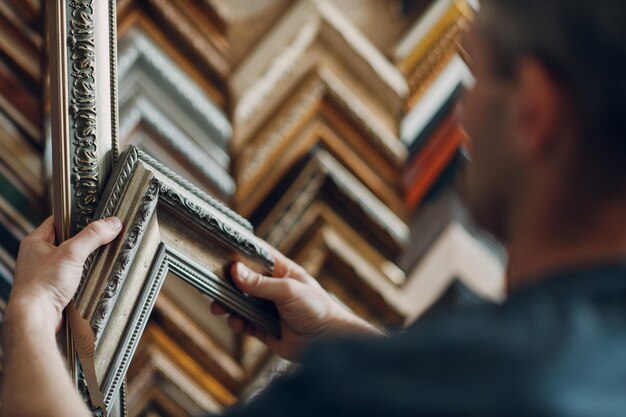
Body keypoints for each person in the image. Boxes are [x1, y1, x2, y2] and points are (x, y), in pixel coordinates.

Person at [4, 0, 626, 415]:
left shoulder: (394, 390)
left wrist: (31, 319)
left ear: (534, 110)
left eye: (479, 77)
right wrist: (343, 338)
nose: (463, 113)